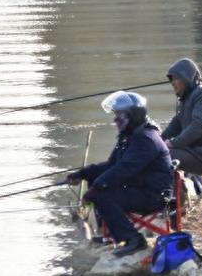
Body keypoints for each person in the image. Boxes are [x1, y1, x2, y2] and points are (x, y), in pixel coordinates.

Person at [67, 91, 177, 257]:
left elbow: (124, 169)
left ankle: (134, 240)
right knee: (96, 181)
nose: (115, 120)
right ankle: (110, 234)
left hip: (155, 196)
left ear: (133, 116)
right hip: (141, 189)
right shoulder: (129, 137)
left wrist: (96, 188)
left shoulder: (146, 139)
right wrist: (82, 173)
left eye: (120, 116)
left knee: (103, 194)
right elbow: (112, 165)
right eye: (115, 115)